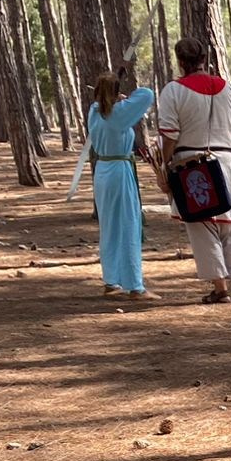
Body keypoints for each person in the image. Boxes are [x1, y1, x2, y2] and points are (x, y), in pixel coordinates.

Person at [156, 36, 231, 304]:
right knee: (229, 226)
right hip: (226, 162)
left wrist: (164, 165)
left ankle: (221, 289)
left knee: (203, 226)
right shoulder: (227, 88)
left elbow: (170, 134)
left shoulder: (173, 91)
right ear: (204, 60)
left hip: (191, 165)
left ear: (180, 61)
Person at [85, 64, 158, 301]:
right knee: (128, 225)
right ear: (115, 94)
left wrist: (116, 98)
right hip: (119, 171)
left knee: (110, 227)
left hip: (103, 172)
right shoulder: (118, 113)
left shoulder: (94, 111)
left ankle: (111, 280)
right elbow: (147, 94)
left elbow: (104, 103)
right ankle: (135, 286)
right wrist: (123, 100)